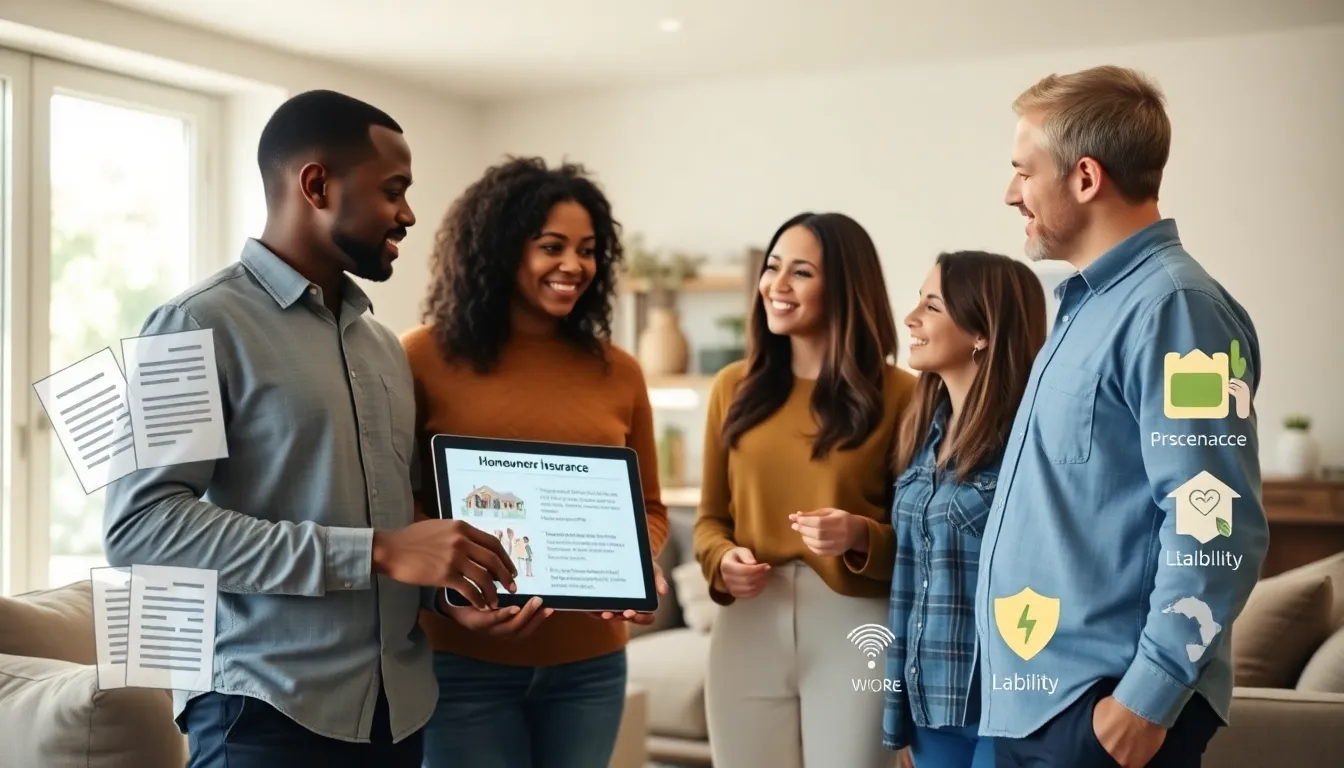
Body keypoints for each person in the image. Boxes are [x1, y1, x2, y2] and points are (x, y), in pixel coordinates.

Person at [102, 90, 516, 768]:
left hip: (399, 715)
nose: (409, 214)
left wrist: (447, 595)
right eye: (393, 190)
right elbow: (141, 529)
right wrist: (375, 552)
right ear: (318, 184)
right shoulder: (192, 326)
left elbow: (397, 524)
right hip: (263, 717)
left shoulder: (385, 347)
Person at [975, 65, 1267, 767]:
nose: (1010, 193)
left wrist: (1146, 699)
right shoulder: (1086, 308)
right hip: (1036, 704)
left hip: (1102, 714)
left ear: (1084, 177)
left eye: (1023, 171)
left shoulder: (1177, 310)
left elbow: (1215, 518)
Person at [401, 156, 670, 768]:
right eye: (552, 246)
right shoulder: (420, 357)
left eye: (588, 249)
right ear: (500, 249)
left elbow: (649, 507)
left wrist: (633, 560)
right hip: (460, 662)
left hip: (591, 667)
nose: (574, 265)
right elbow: (399, 504)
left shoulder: (619, 371)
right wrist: (450, 593)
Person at [693, 211, 917, 768]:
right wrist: (721, 560)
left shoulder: (902, 394)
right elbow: (709, 520)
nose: (777, 285)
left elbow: (923, 537)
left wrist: (860, 534)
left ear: (844, 286)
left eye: (801, 272)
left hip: (855, 623)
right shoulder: (732, 388)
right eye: (773, 268)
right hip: (747, 625)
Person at [880, 251, 1047, 768]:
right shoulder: (924, 433)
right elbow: (909, 582)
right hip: (933, 708)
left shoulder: (1032, 438)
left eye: (932, 305)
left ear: (982, 331)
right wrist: (899, 717)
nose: (911, 318)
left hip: (1010, 707)